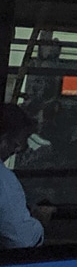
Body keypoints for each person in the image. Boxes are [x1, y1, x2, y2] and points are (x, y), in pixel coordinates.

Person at [1, 103, 49, 249]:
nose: (19, 149)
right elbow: (22, 240)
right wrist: (39, 222)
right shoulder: (4, 181)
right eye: (16, 142)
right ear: (4, 138)